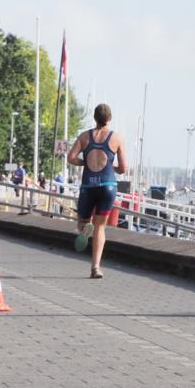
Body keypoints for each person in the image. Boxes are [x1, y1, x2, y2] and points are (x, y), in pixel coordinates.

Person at [67, 103, 128, 279]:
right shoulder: (116, 138)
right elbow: (123, 168)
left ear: (94, 118)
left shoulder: (84, 137)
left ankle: (86, 228)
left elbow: (71, 158)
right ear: (110, 118)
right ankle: (95, 268)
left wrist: (84, 162)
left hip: (88, 186)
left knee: (82, 224)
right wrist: (111, 165)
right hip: (107, 185)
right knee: (101, 227)